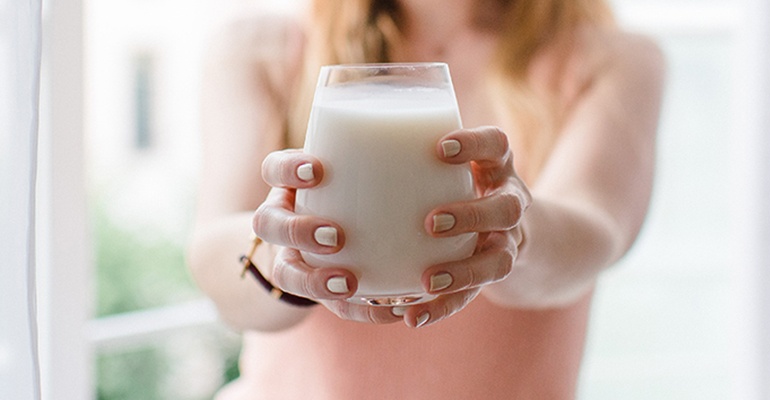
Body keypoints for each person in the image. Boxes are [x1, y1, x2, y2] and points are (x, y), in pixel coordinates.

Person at [187, 0, 665, 398]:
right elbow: (214, 263)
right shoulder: (260, 48)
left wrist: (515, 232)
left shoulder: (612, 59)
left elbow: (595, 230)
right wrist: (282, 254)